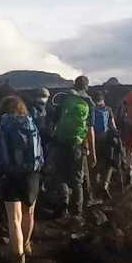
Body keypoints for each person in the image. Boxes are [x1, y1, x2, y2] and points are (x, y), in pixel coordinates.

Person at [0, 93, 44, 263]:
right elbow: (41, 151)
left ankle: (18, 261)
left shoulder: (0, 126)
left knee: (14, 219)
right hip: (31, 174)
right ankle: (26, 245)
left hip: (8, 174)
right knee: (29, 214)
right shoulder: (30, 122)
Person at [47, 76, 95, 222]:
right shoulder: (89, 103)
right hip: (78, 145)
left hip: (61, 143)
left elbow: (54, 122)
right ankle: (77, 214)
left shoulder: (65, 100)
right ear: (86, 87)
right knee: (77, 179)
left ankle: (63, 207)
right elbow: (90, 130)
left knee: (61, 175)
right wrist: (93, 152)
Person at [89, 92, 119, 199]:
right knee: (109, 164)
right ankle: (105, 185)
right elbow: (113, 126)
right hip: (106, 140)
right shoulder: (108, 109)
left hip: (95, 140)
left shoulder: (91, 109)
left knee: (94, 164)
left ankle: (95, 188)